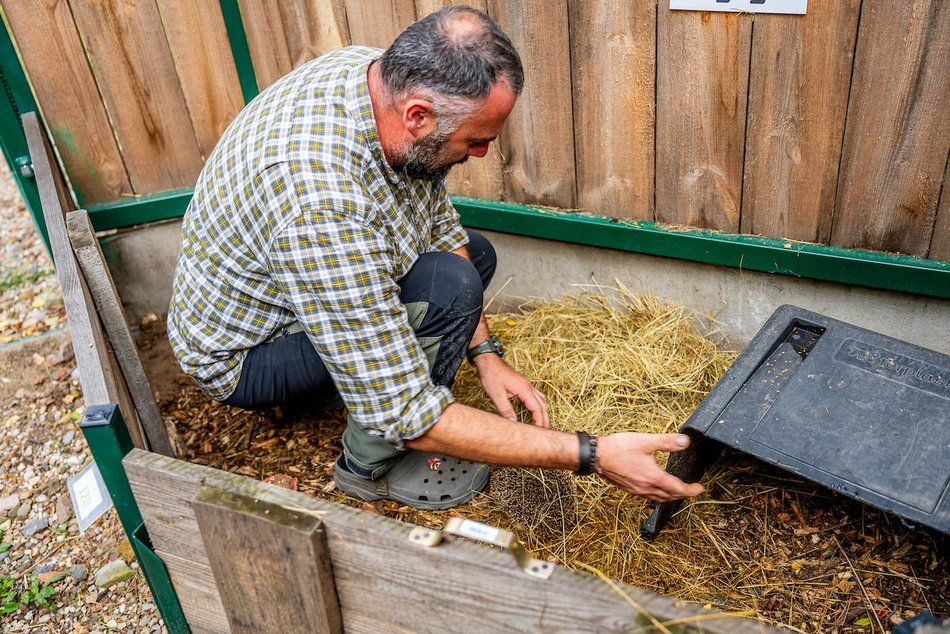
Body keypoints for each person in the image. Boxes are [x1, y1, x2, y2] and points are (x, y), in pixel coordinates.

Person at [168, 5, 704, 510]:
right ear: (419, 115)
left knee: (473, 258)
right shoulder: (321, 205)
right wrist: (593, 453)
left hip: (302, 291)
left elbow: (438, 224)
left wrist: (486, 354)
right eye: (476, 139)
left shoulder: (379, 80)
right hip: (249, 354)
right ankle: (367, 465)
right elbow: (404, 409)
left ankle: (342, 380)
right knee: (450, 287)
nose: (482, 153)